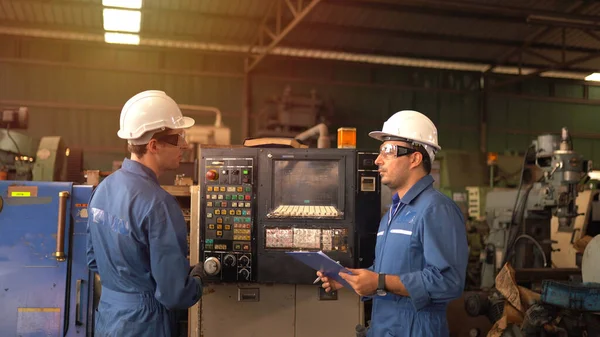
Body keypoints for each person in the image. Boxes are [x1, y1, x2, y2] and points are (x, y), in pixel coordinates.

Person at [317, 110, 468, 336]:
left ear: (415, 158)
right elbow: (384, 273)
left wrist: (379, 282)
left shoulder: (436, 209)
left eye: (388, 151)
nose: (378, 160)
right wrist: (346, 278)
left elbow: (448, 281)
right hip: (385, 328)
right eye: (380, 152)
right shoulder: (393, 213)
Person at [86, 90, 205, 337]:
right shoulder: (159, 204)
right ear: (153, 145)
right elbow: (174, 295)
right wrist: (198, 280)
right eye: (177, 138)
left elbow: (92, 259)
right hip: (145, 324)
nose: (184, 144)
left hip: (108, 318)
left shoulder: (102, 189)